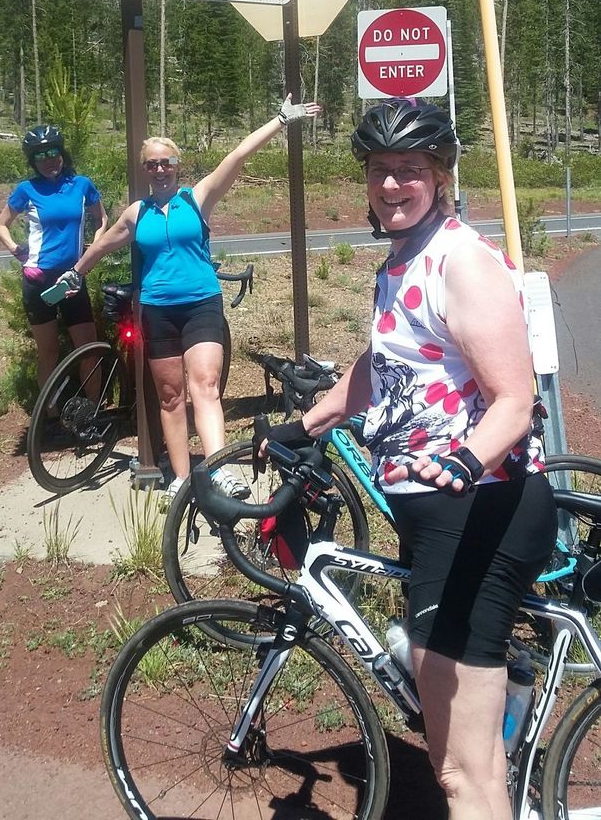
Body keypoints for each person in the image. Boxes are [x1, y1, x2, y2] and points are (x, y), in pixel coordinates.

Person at [265, 97, 557, 820]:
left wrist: (463, 461)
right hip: (438, 520)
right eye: (380, 171)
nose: (393, 184)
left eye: (410, 169)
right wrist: (307, 423)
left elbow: (514, 400)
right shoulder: (404, 262)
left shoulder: (462, 264)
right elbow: (386, 361)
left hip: (480, 512)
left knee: (462, 774)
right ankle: (499, 704)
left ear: (440, 177)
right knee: (460, 746)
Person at [55, 95, 321, 509]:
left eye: (167, 163)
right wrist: (75, 273)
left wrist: (281, 121)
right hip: (157, 310)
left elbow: (237, 156)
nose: (160, 170)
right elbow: (103, 245)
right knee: (170, 396)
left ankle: (218, 469)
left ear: (177, 166)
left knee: (206, 386)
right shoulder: (137, 213)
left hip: (201, 304)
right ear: (145, 170)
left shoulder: (196, 198)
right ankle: (181, 479)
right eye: (152, 165)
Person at [0, 125, 108, 389]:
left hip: (72, 278)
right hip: (38, 280)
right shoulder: (26, 189)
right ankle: (50, 411)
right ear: (33, 161)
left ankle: (92, 408)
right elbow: (0, 225)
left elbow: (101, 219)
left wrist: (94, 248)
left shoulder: (82, 185)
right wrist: (15, 248)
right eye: (40, 156)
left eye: (53, 152)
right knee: (48, 352)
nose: (48, 160)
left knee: (89, 349)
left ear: (62, 153)